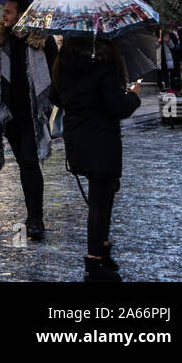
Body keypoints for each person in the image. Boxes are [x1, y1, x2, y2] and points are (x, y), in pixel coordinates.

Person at [50, 34, 142, 282]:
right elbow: (117, 106)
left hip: (77, 136)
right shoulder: (104, 61)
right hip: (101, 139)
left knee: (102, 197)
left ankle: (102, 251)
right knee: (101, 201)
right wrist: (133, 95)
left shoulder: (64, 61)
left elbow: (55, 97)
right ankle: (94, 264)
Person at [0, 0, 59, 241]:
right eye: (3, 11)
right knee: (24, 163)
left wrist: (46, 108)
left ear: (22, 15)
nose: (3, 14)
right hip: (9, 114)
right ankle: (32, 215)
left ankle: (36, 218)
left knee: (29, 162)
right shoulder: (2, 41)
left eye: (8, 11)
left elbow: (53, 75)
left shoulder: (41, 42)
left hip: (32, 114)